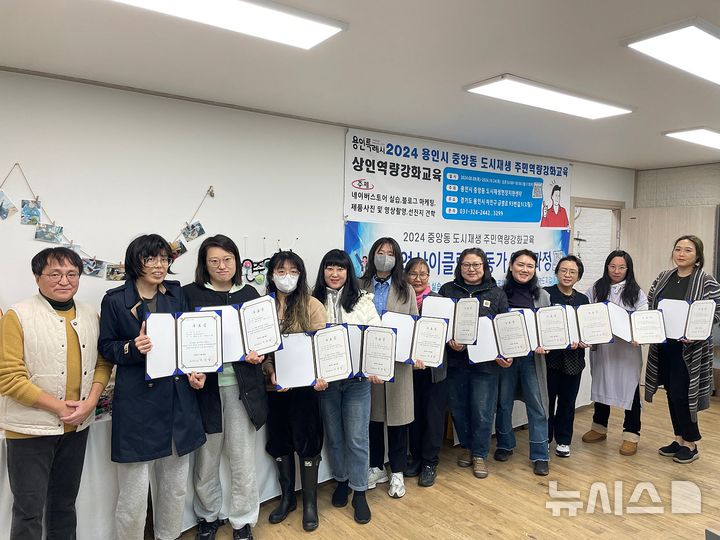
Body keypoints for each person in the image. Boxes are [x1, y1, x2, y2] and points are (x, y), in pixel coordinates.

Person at [99, 234, 207, 540]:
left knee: (174, 488)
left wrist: (196, 372)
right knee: (133, 494)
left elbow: (188, 341)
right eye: (150, 259)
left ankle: (168, 536)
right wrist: (132, 348)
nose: (158, 266)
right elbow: (106, 347)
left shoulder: (176, 294)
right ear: (136, 261)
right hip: (138, 405)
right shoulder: (115, 300)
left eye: (164, 259)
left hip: (177, 400)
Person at [0, 247, 112, 540]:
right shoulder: (18, 315)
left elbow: (102, 363)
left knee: (64, 504)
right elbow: (9, 377)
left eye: (72, 274)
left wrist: (90, 402)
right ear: (38, 277)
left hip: (77, 426)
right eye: (55, 274)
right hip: (29, 430)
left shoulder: (90, 314)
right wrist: (58, 407)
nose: (65, 280)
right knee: (28, 509)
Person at [183, 235, 268, 540]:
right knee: (207, 459)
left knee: (242, 458)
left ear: (237, 261)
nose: (222, 266)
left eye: (228, 259)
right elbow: (183, 342)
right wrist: (191, 371)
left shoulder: (250, 293)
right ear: (204, 265)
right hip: (204, 391)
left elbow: (263, 338)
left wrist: (261, 354)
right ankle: (208, 515)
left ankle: (243, 520)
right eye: (214, 260)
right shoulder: (189, 295)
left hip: (241, 389)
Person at [312, 249, 381, 524]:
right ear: (323, 271)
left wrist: (377, 368)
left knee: (356, 437)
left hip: (357, 382)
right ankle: (341, 480)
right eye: (329, 268)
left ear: (348, 272)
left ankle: (360, 490)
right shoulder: (312, 300)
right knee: (335, 435)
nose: (335, 273)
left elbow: (377, 335)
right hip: (326, 383)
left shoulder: (363, 300)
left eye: (340, 268)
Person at [261, 251, 328, 531]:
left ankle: (310, 503)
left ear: (301, 275)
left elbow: (321, 349)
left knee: (308, 442)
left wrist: (320, 375)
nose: (286, 276)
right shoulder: (261, 308)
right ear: (271, 274)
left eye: (293, 271)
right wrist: (270, 371)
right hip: (273, 387)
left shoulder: (312, 305)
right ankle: (288, 497)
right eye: (280, 270)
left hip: (304, 390)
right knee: (279, 441)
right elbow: (260, 352)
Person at [645, 235, 720, 464]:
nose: (681, 253)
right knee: (670, 391)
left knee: (683, 394)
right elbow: (651, 304)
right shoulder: (663, 277)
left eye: (688, 250)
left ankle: (691, 442)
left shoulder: (707, 281)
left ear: (697, 256)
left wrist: (695, 332)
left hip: (691, 351)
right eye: (678, 249)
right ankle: (678, 438)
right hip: (665, 346)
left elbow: (715, 312)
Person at [439, 249, 508, 480]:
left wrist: (505, 354)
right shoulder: (448, 291)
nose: (471, 269)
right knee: (458, 408)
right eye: (466, 264)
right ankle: (467, 447)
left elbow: (503, 329)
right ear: (459, 266)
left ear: (485, 266)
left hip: (486, 365)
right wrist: (449, 340)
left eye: (476, 265)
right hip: (456, 362)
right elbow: (440, 324)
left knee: (482, 411)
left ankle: (480, 454)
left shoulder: (496, 294)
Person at [359, 237, 418, 499]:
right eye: (380, 252)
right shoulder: (359, 285)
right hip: (368, 362)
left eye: (390, 253)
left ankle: (397, 472)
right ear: (372, 256)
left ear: (397, 258)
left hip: (399, 362)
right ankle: (375, 467)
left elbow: (414, 324)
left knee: (398, 419)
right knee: (372, 418)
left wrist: (416, 354)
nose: (384, 256)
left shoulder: (406, 288)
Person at [581, 250, 647, 456]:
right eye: (612, 266)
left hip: (627, 350)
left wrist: (639, 334)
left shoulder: (636, 292)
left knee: (630, 389)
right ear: (606, 267)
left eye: (621, 267)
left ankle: (631, 434)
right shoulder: (596, 288)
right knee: (602, 383)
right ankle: (599, 427)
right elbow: (583, 310)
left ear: (628, 269)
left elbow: (644, 318)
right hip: (604, 348)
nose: (616, 271)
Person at [495, 249, 551, 476]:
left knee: (537, 406)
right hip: (506, 358)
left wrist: (544, 343)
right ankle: (504, 444)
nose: (524, 269)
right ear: (511, 266)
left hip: (532, 358)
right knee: (503, 403)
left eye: (530, 266)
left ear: (535, 270)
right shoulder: (499, 294)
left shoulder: (543, 296)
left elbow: (548, 328)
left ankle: (540, 454)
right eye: (520, 265)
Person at [404, 257, 448, 487]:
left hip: (434, 371)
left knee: (432, 415)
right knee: (414, 415)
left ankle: (430, 462)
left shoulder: (440, 301)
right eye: (413, 273)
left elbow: (448, 334)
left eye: (423, 274)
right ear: (405, 276)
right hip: (408, 369)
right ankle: (416, 457)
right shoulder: (401, 301)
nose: (418, 278)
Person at [544, 255, 589, 458]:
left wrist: (586, 339)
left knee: (567, 401)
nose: (567, 275)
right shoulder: (546, 295)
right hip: (550, 358)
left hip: (574, 359)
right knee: (547, 401)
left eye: (572, 271)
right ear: (556, 272)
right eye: (563, 270)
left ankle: (563, 440)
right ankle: (544, 438)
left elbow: (586, 328)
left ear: (578, 276)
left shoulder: (583, 300)